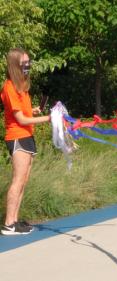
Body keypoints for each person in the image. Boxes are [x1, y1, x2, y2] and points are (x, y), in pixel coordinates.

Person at [1, 48, 51, 235]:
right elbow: (20, 120)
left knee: (23, 180)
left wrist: (35, 111)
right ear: (15, 65)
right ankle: (8, 223)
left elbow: (24, 114)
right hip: (17, 136)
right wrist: (48, 119)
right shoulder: (9, 87)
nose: (28, 66)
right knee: (17, 180)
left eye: (29, 62)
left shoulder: (21, 87)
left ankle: (14, 220)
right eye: (24, 63)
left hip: (27, 136)